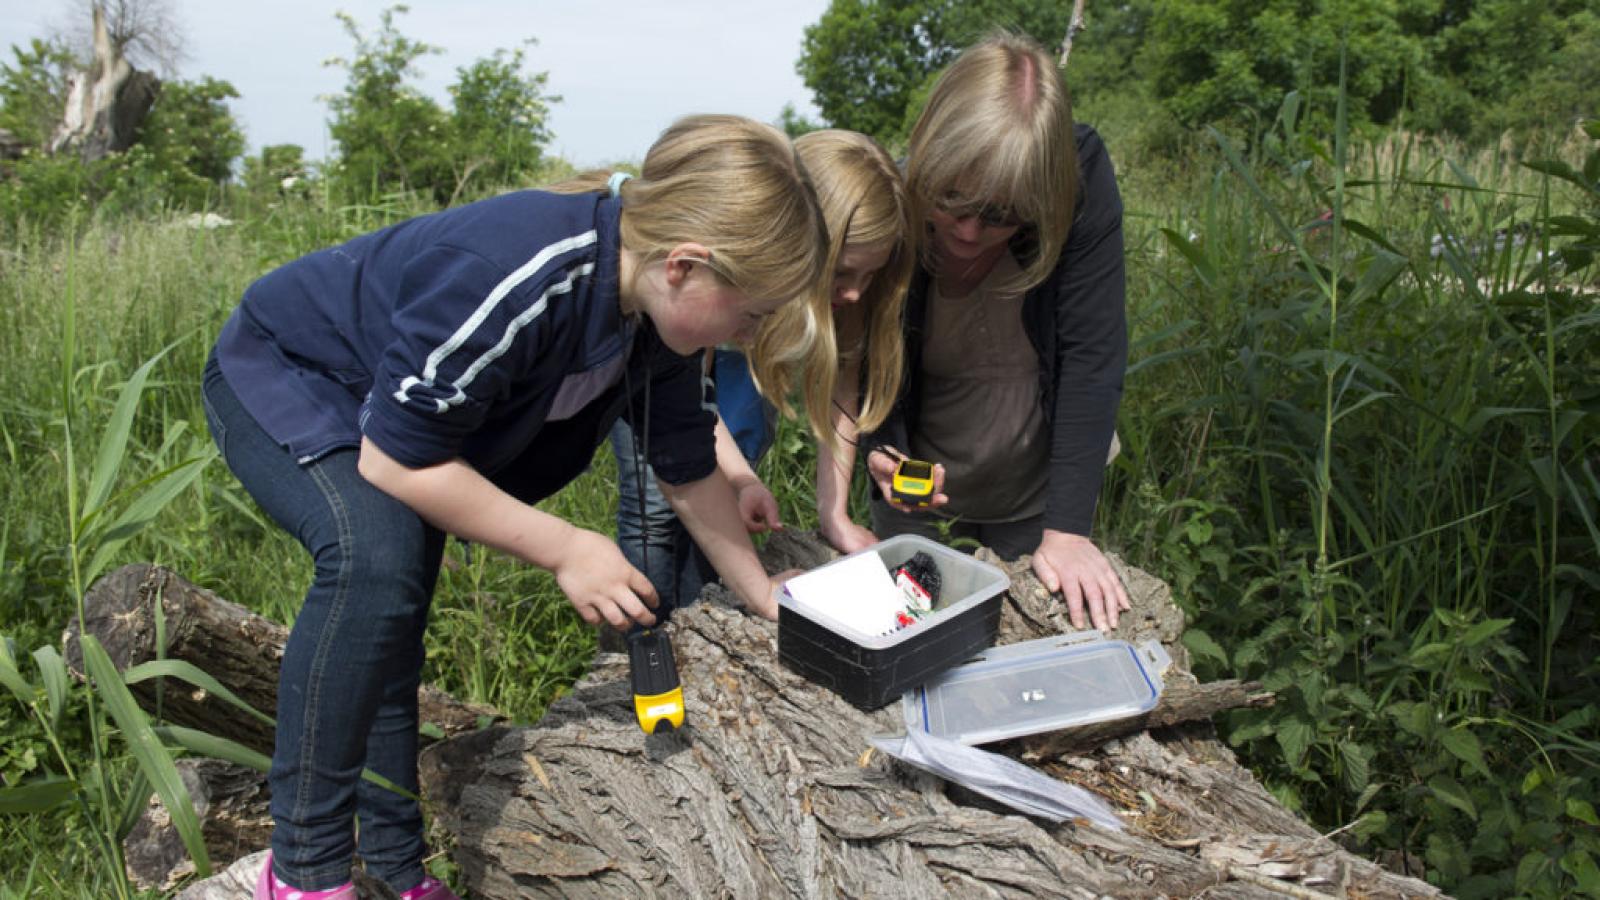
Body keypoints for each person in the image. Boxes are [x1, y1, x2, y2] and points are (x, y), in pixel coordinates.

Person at [200, 114, 828, 900]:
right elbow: (395, 456)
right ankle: (303, 869)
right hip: (293, 373)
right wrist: (566, 547)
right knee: (375, 560)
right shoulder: (525, 275)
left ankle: (396, 873)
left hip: (400, 424)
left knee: (394, 617)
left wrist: (765, 597)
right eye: (754, 311)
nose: (751, 333)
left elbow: (687, 468)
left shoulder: (661, 329)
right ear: (684, 266)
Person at [862, 32, 1132, 632]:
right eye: (952, 199)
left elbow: (1094, 354)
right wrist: (879, 448)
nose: (967, 231)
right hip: (921, 497)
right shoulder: (888, 198)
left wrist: (1066, 532)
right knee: (911, 634)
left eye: (1002, 214)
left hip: (1032, 490)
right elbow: (860, 354)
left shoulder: (1078, 176)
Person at [610, 128, 914, 614]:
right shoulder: (712, 297)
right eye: (841, 274)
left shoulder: (842, 303)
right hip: (672, 388)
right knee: (655, 514)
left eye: (871, 275)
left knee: (729, 508)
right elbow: (690, 411)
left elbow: (842, 387)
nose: (855, 293)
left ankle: (705, 610)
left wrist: (830, 512)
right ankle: (644, 630)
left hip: (734, 398)